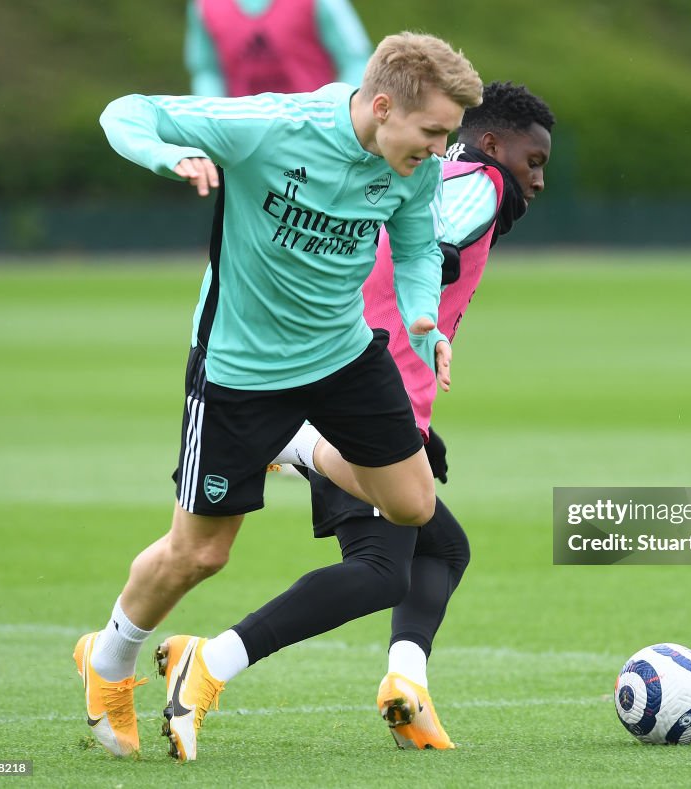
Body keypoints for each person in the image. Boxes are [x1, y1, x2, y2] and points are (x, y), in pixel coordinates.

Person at [73, 32, 483, 760]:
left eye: (448, 134)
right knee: (200, 554)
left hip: (344, 355)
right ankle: (106, 663)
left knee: (413, 506)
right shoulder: (268, 127)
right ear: (382, 105)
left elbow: (418, 247)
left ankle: (300, 450)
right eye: (433, 132)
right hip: (240, 370)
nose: (442, 148)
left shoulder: (412, 163)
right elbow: (125, 111)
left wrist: (423, 322)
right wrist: (167, 156)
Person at [153, 81, 554, 758]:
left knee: (442, 547)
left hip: (377, 389)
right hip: (361, 393)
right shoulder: (479, 181)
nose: (537, 179)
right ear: (491, 143)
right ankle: (211, 660)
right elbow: (427, 247)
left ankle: (406, 684)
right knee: (379, 569)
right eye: (533, 160)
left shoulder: (441, 171)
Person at [185, 0, 371, 97]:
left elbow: (356, 62)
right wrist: (215, 126)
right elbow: (207, 71)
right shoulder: (205, 5)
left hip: (315, 136)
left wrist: (335, 117)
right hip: (243, 144)